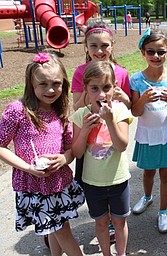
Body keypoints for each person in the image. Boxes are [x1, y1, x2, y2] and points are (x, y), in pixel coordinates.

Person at [0, 52, 85, 255]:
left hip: (59, 183)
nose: (50, 89)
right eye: (43, 84)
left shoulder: (62, 111)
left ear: (63, 83)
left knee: (58, 227)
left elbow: (69, 150)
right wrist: (28, 167)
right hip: (35, 187)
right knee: (62, 231)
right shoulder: (17, 111)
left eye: (56, 83)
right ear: (31, 84)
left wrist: (64, 158)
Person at [71, 20, 131, 242]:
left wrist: (122, 96)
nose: (99, 51)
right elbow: (76, 105)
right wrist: (94, 93)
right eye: (93, 45)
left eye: (104, 45)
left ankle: (115, 224)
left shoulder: (121, 72)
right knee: (88, 177)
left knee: (112, 176)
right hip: (88, 131)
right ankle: (66, 221)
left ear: (112, 45)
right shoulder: (80, 72)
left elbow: (128, 105)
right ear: (86, 47)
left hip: (112, 132)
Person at [130, 28, 167, 234]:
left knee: (166, 173)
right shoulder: (136, 79)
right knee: (148, 171)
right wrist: (143, 99)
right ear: (143, 53)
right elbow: (135, 111)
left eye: (161, 51)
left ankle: (163, 211)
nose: (156, 56)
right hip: (147, 133)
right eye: (150, 51)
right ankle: (146, 197)